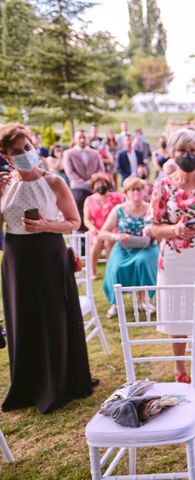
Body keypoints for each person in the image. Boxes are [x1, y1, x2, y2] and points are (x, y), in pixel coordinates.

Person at [0, 123, 94, 413]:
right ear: (6, 157)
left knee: (52, 315)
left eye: (28, 147)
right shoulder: (5, 185)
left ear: (34, 145)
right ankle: (28, 383)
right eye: (17, 151)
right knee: (23, 317)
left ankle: (60, 381)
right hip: (16, 257)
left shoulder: (54, 182)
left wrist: (45, 225)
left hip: (48, 252)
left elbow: (74, 222)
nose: (25, 153)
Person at [148, 128, 195, 391]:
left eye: (192, 151)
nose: (187, 155)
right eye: (182, 151)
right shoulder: (162, 185)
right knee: (176, 312)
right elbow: (153, 227)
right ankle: (180, 368)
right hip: (174, 260)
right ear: (172, 154)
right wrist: (175, 230)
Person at [101, 176, 158, 318]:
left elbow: (160, 228)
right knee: (116, 267)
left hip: (146, 246)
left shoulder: (151, 208)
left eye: (139, 189)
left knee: (142, 262)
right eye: (132, 190)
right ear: (125, 193)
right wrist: (116, 236)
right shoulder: (119, 210)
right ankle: (115, 303)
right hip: (124, 247)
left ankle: (145, 301)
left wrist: (153, 234)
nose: (136, 192)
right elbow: (103, 232)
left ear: (144, 191)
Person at [83, 173, 124, 278]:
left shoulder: (116, 197)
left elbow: (122, 212)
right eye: (97, 183)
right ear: (93, 186)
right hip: (96, 230)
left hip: (112, 229)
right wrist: (92, 228)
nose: (100, 185)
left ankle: (111, 269)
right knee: (96, 242)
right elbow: (86, 219)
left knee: (109, 241)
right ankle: (92, 271)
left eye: (103, 183)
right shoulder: (89, 200)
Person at [63, 129, 105, 230]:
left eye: (84, 137)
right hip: (78, 188)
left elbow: (101, 168)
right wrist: (84, 183)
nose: (82, 140)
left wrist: (93, 180)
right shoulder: (69, 153)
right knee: (80, 211)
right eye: (79, 138)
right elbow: (70, 172)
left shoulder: (95, 153)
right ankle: (81, 236)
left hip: (94, 187)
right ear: (75, 139)